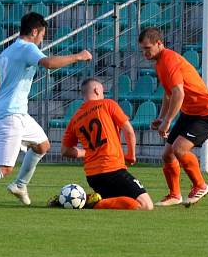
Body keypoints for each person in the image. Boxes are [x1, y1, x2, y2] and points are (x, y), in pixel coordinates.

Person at [0, 12, 92, 211]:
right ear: (34, 31)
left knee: (42, 145)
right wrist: (78, 56)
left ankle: (20, 185)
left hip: (16, 113)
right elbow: (49, 64)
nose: (42, 40)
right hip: (10, 115)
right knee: (4, 167)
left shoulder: (11, 49)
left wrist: (0, 91)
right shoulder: (27, 48)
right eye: (42, 35)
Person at [138, 27, 208, 207]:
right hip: (190, 113)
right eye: (142, 49)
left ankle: (200, 185)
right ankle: (175, 195)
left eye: (148, 48)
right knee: (167, 155)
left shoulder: (169, 60)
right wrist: (161, 117)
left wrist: (167, 121)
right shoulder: (159, 62)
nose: (145, 52)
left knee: (179, 150)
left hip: (206, 113)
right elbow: (168, 94)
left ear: (159, 43)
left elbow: (179, 94)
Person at [57, 78, 153, 210]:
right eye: (103, 91)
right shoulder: (107, 104)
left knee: (123, 202)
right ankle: (89, 203)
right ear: (97, 90)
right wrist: (131, 155)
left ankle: (82, 199)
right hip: (113, 170)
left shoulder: (75, 119)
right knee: (146, 205)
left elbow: (65, 151)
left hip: (93, 176)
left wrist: (86, 152)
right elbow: (129, 131)